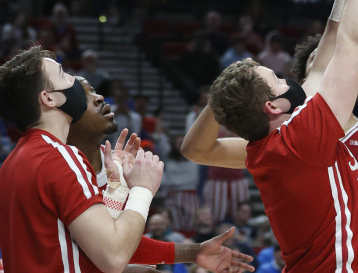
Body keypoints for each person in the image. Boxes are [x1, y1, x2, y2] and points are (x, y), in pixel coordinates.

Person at [206, 0, 358, 273]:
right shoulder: (300, 140)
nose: (289, 81)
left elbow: (316, 76)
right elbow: (355, 47)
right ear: (273, 106)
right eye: (278, 80)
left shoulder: (271, 147)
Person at [0, 44, 164, 273]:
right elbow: (114, 256)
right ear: (49, 99)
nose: (73, 81)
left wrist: (117, 189)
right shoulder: (60, 156)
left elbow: (77, 248)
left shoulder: (12, 163)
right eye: (63, 75)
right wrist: (142, 189)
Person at [66, 76, 248, 271]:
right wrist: (142, 189)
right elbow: (110, 252)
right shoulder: (61, 164)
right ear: (63, 115)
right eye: (86, 95)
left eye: (94, 90)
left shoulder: (115, 162)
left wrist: (196, 252)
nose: (100, 97)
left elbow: (118, 244)